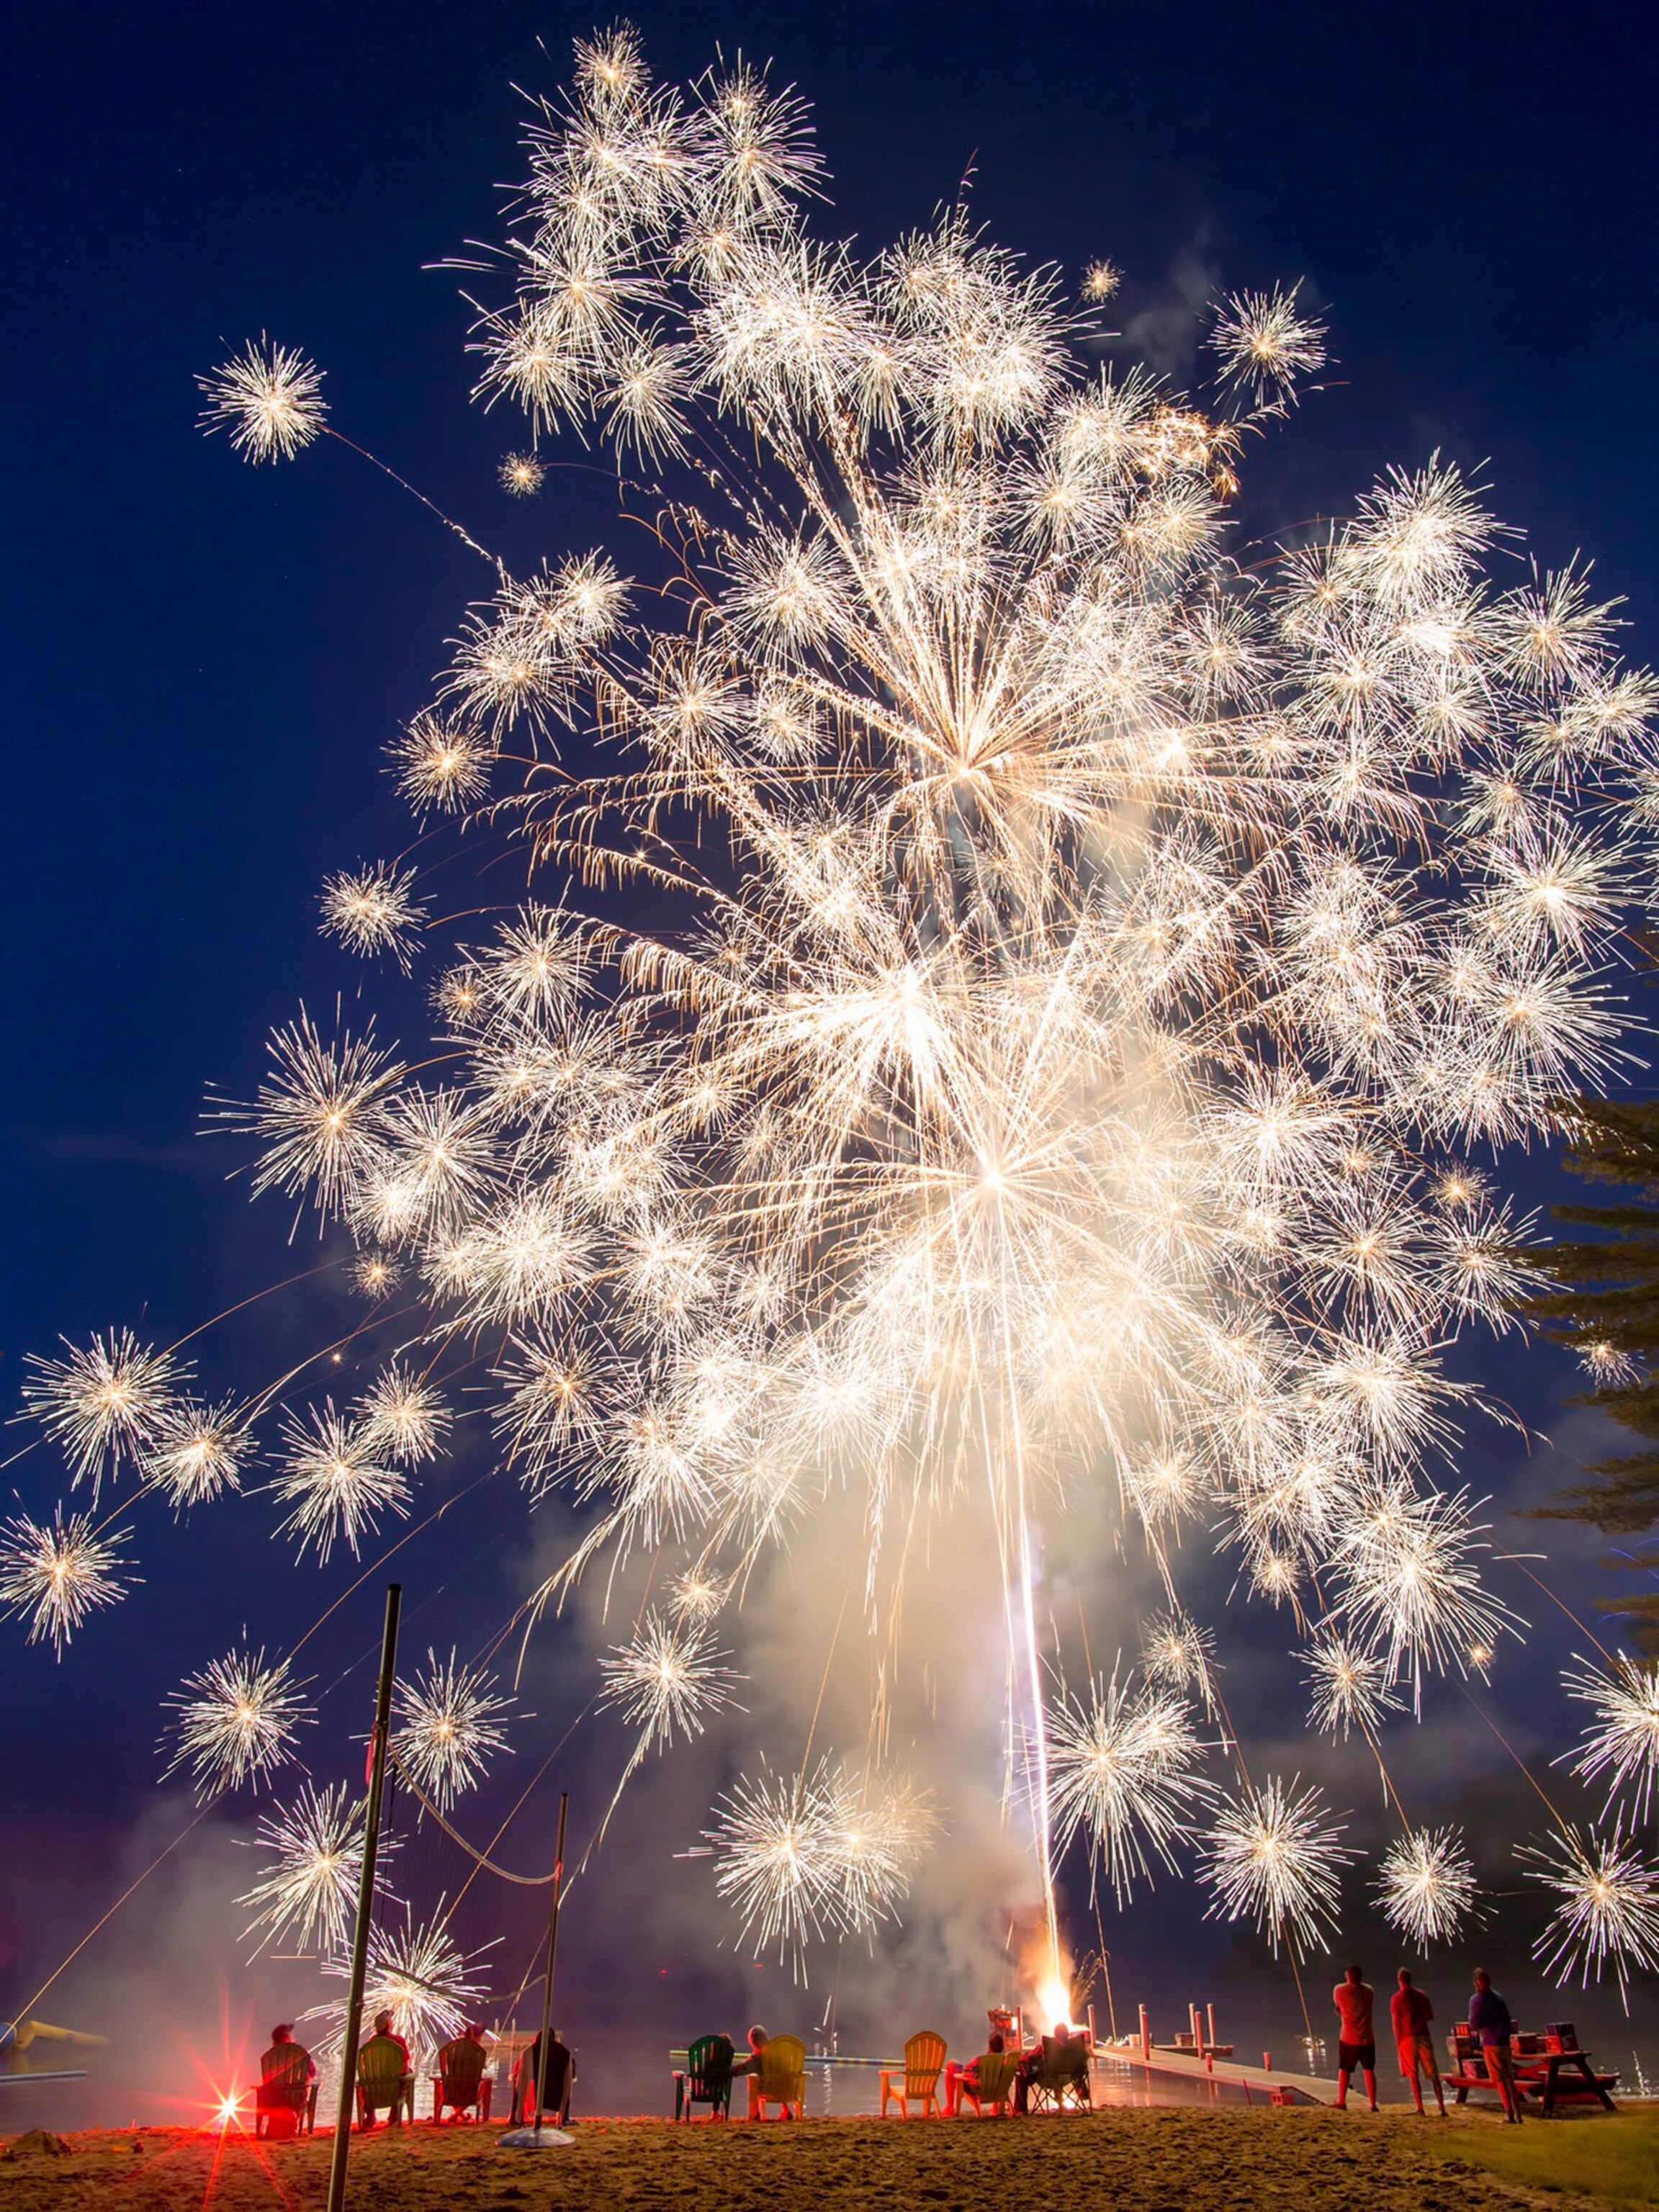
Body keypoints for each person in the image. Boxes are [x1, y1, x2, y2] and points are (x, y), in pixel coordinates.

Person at [1469, 1970, 1522, 2123]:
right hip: (1505, 2042)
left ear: (1476, 1983)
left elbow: (1474, 2024)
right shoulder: (1499, 1998)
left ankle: (1510, 2114)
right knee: (1509, 2079)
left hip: (1491, 2042)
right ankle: (1518, 2114)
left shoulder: (1477, 2000)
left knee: (1500, 2080)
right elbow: (1507, 2020)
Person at [1390, 1972, 1445, 2118]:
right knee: (1433, 2074)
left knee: (1413, 2075)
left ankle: (1420, 2107)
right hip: (1424, 2036)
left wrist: (1398, 2042)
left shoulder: (1397, 1999)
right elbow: (1429, 2017)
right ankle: (1442, 2107)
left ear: (1399, 1981)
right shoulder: (1422, 1996)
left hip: (1408, 2038)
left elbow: (1396, 2023)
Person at [1332, 1964, 1377, 2111]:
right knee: (1369, 2071)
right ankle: (1372, 2104)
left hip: (1348, 2038)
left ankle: (1342, 2101)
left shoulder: (1339, 1990)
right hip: (1367, 2038)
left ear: (1348, 1976)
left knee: (1344, 2070)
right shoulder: (1369, 1991)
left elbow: (1339, 2007)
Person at [357, 2011, 413, 2128]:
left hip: (374, 2089)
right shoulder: (399, 2041)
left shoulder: (371, 2043)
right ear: (389, 2025)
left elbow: (365, 2065)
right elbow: (405, 2065)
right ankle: (394, 2115)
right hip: (394, 2088)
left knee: (368, 2081)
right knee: (407, 2074)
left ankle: (370, 2116)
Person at [257, 2025, 315, 2134]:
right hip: (296, 2099)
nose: (293, 2036)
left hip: (273, 2100)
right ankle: (293, 2126)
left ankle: (274, 2127)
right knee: (306, 2084)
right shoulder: (300, 2052)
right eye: (291, 2034)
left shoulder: (269, 2056)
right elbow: (312, 2072)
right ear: (286, 2038)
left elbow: (267, 2080)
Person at [512, 2028, 573, 2127]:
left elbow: (522, 2080)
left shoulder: (528, 2052)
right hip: (555, 2089)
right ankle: (564, 2117)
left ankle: (517, 2116)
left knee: (518, 2082)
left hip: (537, 2087)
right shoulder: (564, 2053)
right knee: (568, 2085)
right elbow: (568, 2081)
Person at [436, 2022, 490, 2122]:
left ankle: (457, 2115)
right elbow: (484, 2069)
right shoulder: (478, 2052)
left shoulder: (453, 2049)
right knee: (482, 2086)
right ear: (477, 2037)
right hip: (471, 2091)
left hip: (452, 2089)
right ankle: (458, 2115)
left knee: (441, 2087)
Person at [732, 2026, 768, 2118]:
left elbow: (742, 2068)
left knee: (752, 2080)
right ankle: (786, 2109)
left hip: (767, 2089)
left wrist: (729, 2070)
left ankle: (755, 2112)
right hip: (786, 2088)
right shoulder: (779, 2052)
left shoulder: (757, 2058)